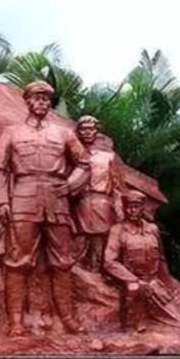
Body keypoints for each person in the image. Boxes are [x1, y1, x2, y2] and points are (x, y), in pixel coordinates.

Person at [0, 80, 90, 335]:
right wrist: (3, 200)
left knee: (62, 262)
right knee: (18, 261)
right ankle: (15, 322)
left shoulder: (63, 134)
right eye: (37, 98)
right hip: (23, 198)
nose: (42, 102)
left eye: (46, 99)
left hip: (57, 199)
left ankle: (68, 318)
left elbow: (84, 163)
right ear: (27, 101)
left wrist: (70, 185)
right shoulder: (12, 132)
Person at [103, 190, 180, 332]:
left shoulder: (152, 229)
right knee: (134, 290)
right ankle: (135, 323)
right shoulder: (117, 230)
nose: (132, 210)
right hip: (132, 281)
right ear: (124, 208)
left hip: (153, 280)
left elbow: (161, 258)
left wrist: (168, 284)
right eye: (128, 207)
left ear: (142, 208)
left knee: (177, 321)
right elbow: (109, 262)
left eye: (136, 206)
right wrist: (134, 280)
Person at [74, 115, 123, 270]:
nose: (87, 132)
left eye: (91, 129)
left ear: (97, 131)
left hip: (101, 200)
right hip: (79, 201)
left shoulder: (108, 156)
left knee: (99, 235)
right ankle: (78, 265)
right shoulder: (74, 152)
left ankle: (97, 267)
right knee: (79, 234)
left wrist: (119, 208)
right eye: (84, 129)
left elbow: (117, 185)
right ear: (78, 131)